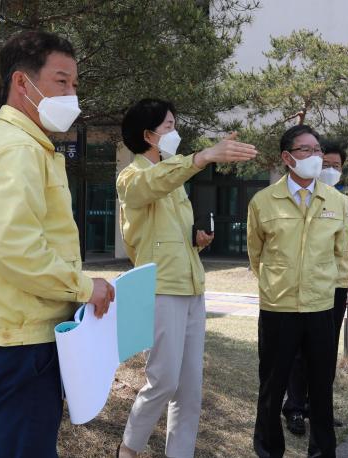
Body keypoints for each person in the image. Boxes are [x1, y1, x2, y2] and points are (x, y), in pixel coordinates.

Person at [0, 30, 115, 458]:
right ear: (21, 83)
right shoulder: (18, 149)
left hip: (16, 336)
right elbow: (17, 250)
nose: (71, 95)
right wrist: (85, 288)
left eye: (75, 85)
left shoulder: (20, 145)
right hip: (21, 343)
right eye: (61, 81)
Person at [116, 99, 257, 458]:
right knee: (163, 381)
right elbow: (151, 186)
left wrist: (194, 240)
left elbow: (162, 232)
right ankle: (129, 448)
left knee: (190, 388)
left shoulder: (173, 177)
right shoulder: (132, 177)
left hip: (191, 286)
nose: (174, 132)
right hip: (161, 288)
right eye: (168, 126)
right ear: (147, 135)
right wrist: (204, 156)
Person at [247, 125, 347, 458]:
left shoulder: (337, 202)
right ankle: (268, 450)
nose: (317, 156)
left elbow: (341, 253)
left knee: (321, 389)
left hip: (321, 307)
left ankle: (322, 452)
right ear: (287, 158)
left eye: (318, 149)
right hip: (278, 308)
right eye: (307, 150)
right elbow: (256, 255)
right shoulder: (263, 202)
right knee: (272, 389)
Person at [280, 141, 348, 435]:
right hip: (307, 285)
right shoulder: (303, 199)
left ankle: (320, 407)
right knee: (300, 352)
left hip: (336, 287)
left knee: (326, 352)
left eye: (336, 166)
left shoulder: (345, 203)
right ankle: (295, 408)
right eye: (325, 164)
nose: (330, 170)